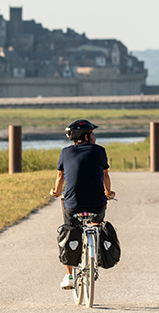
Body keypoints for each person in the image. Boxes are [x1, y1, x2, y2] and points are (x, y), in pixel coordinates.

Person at [49, 119, 115, 290]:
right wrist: (108, 193)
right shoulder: (100, 151)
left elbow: (60, 178)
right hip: (97, 205)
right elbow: (105, 176)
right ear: (86, 136)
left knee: (69, 230)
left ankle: (69, 276)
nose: (94, 137)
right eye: (92, 133)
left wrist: (56, 192)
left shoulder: (65, 152)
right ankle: (96, 252)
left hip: (73, 205)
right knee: (97, 224)